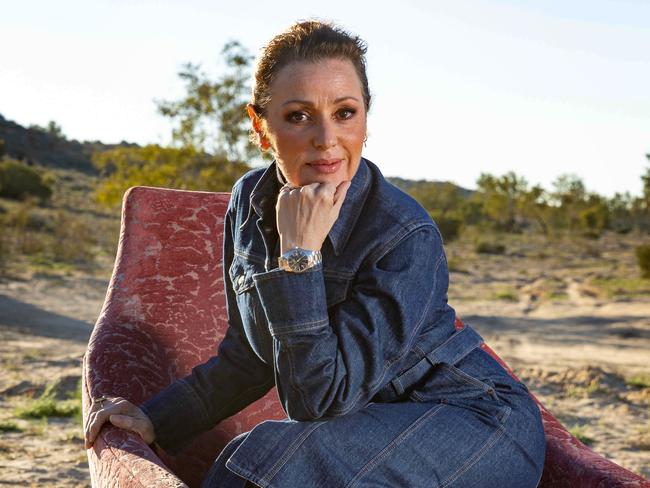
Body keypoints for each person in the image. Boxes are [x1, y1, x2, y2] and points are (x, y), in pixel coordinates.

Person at [84, 20, 546, 487]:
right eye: (299, 116)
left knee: (261, 465)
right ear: (260, 127)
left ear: (366, 118)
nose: (326, 139)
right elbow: (248, 358)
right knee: (254, 461)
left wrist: (299, 256)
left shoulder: (404, 233)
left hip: (475, 421)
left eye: (345, 112)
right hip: (369, 428)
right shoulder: (249, 203)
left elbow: (319, 401)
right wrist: (156, 421)